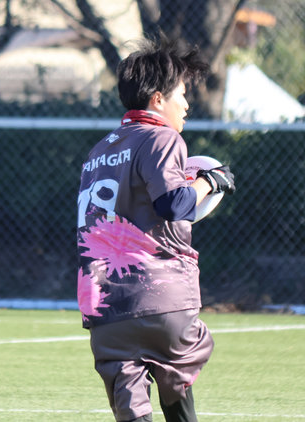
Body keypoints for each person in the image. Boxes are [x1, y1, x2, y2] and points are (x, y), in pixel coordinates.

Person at [76, 35, 236, 422]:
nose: (187, 104)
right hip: (160, 296)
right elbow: (174, 204)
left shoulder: (99, 151)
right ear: (158, 99)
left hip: (103, 303)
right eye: (182, 93)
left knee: (128, 397)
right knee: (179, 364)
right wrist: (211, 180)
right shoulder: (161, 137)